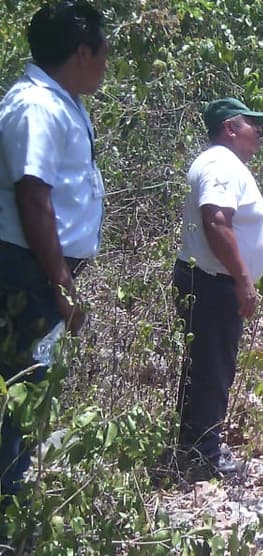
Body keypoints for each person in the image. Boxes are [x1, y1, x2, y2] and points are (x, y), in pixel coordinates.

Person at [0, 1, 108, 499]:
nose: (108, 62)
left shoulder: (63, 101)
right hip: (26, 272)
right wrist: (61, 284)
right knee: (19, 386)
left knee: (31, 384)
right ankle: (9, 518)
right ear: (82, 51)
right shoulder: (36, 106)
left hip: (39, 268)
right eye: (104, 50)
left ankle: (15, 502)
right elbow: (33, 195)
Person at [171, 97, 263, 482]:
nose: (258, 131)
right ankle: (204, 456)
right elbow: (216, 221)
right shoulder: (220, 164)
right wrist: (244, 280)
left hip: (209, 280)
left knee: (206, 367)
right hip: (214, 284)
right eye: (252, 124)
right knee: (212, 370)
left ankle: (195, 444)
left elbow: (227, 222)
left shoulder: (223, 164)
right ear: (230, 127)